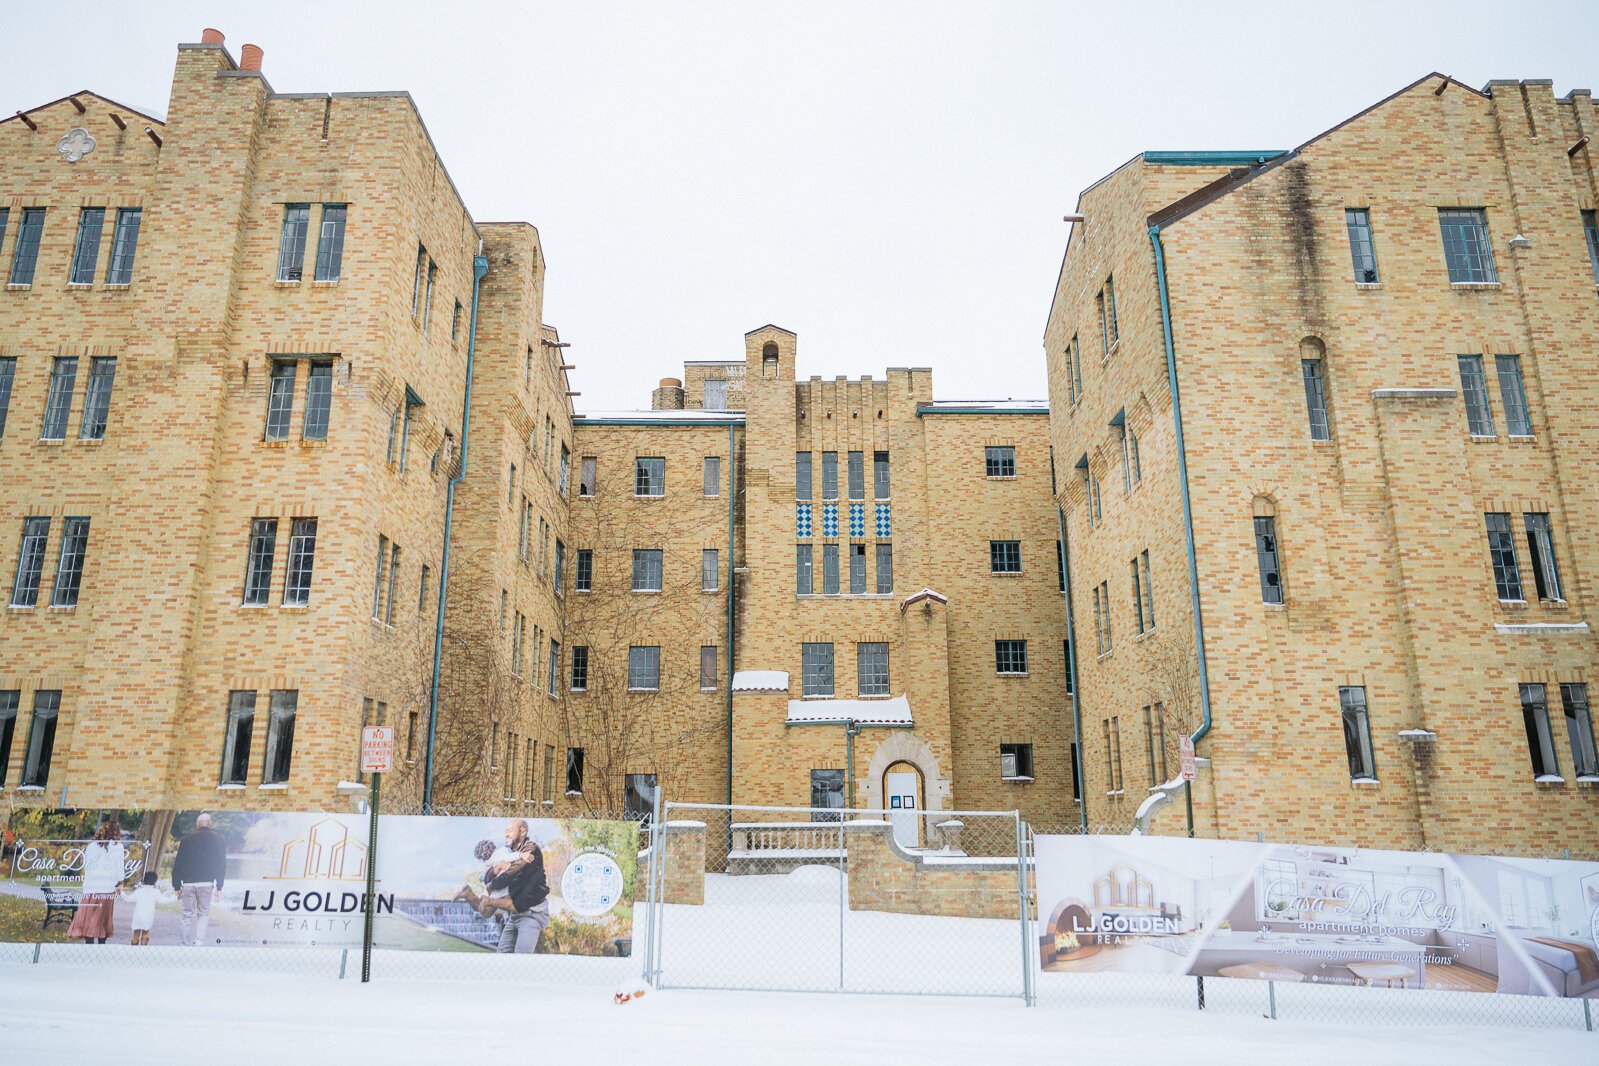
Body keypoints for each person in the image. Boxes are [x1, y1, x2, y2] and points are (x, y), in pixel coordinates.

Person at [483, 819, 549, 954]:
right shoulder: (510, 851)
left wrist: (491, 884)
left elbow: (512, 872)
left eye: (510, 830)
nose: (506, 834)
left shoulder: (531, 849)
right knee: (502, 955)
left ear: (523, 831)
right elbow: (487, 876)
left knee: (521, 959)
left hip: (532, 914)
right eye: (505, 831)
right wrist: (496, 870)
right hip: (515, 915)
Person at [170, 813, 227, 946]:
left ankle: (184, 942)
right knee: (203, 913)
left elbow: (179, 863)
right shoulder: (218, 840)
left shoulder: (186, 840)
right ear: (210, 824)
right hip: (206, 883)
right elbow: (221, 864)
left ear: (197, 825)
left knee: (186, 914)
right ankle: (199, 941)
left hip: (188, 883)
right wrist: (219, 887)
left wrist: (177, 886)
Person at [68, 820, 126, 944]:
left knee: (89, 918)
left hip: (91, 887)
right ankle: (101, 944)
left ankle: (89, 943)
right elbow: (119, 867)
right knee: (102, 919)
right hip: (107, 888)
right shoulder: (118, 847)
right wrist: (120, 882)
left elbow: (87, 867)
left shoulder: (91, 846)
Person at [122, 871, 167, 945]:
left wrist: (121, 892)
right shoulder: (155, 892)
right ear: (155, 881)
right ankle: (143, 949)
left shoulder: (139, 891)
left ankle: (133, 949)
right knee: (145, 933)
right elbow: (163, 900)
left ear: (144, 880)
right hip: (148, 916)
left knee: (136, 934)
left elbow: (128, 899)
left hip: (138, 916)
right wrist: (175, 897)